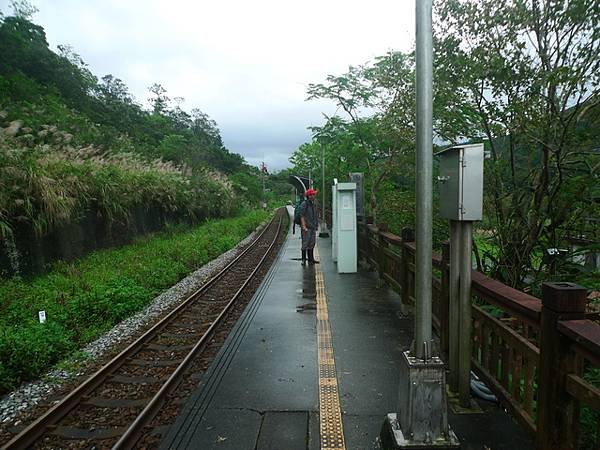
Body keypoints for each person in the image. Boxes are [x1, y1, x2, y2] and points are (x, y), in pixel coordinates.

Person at [300, 188, 319, 265]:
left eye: (314, 194)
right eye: (313, 194)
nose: (314, 195)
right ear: (309, 196)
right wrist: (304, 226)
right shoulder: (304, 204)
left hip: (312, 227)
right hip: (307, 227)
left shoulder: (313, 204)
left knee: (312, 243)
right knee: (305, 243)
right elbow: (302, 216)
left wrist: (316, 225)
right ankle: (303, 259)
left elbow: (315, 215)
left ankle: (311, 259)